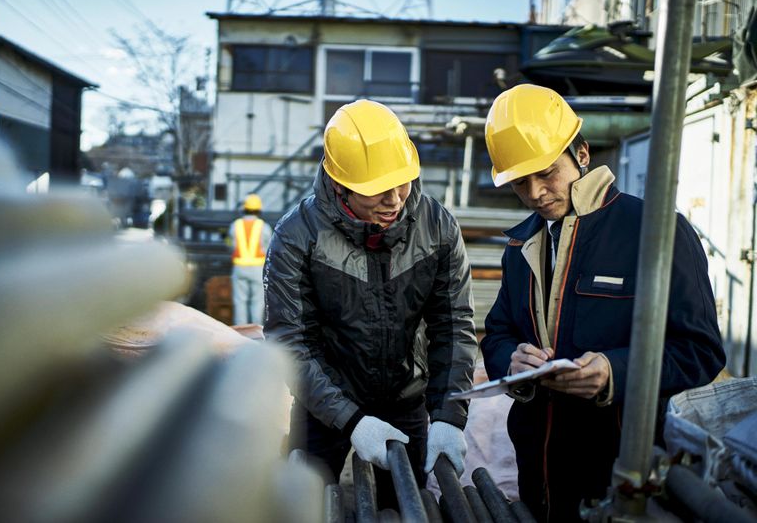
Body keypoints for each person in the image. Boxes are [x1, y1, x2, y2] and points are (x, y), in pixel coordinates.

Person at [480, 84, 726, 522]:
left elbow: (700, 351)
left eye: (546, 173)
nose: (535, 193)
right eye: (520, 182)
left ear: (582, 154)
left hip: (619, 468)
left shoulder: (656, 231)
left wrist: (615, 371)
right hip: (538, 468)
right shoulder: (521, 245)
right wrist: (512, 361)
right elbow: (499, 332)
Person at [263, 99, 477, 506]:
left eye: (402, 182)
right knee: (305, 505)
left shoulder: (437, 227)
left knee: (407, 506)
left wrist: (449, 415)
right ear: (340, 185)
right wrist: (351, 419)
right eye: (376, 189)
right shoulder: (297, 236)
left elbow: (453, 325)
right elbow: (290, 341)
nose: (394, 199)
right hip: (323, 405)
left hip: (406, 400)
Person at [227, 193, 272, 325]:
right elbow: (269, 248)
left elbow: (231, 245)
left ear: (244, 208)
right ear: (259, 209)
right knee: (257, 302)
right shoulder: (264, 226)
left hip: (239, 267)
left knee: (240, 301)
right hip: (258, 268)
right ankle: (256, 331)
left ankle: (240, 332)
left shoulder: (235, 225)